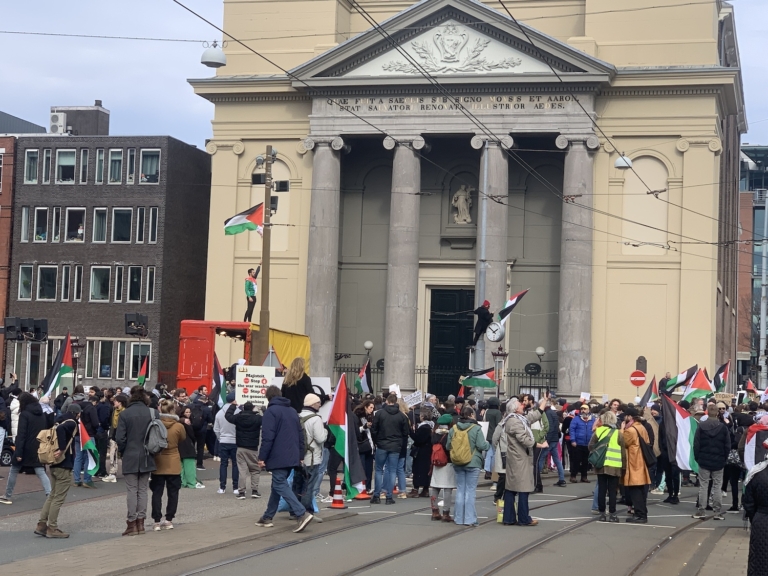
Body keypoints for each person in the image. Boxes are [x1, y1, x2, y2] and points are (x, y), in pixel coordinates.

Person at [255, 386, 313, 532]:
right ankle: (267, 516)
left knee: (279, 484)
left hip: (278, 456)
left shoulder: (271, 412)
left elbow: (268, 437)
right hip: (292, 455)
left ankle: (301, 513)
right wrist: (300, 456)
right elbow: (301, 435)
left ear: (268, 397)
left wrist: (262, 457)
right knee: (277, 485)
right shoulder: (292, 411)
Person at [115, 386, 157, 536]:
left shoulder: (125, 414)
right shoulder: (153, 413)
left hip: (131, 454)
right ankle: (141, 523)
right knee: (143, 490)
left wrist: (123, 450)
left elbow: (120, 438)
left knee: (132, 490)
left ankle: (131, 523)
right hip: (147, 455)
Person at [502, 395, 547, 527]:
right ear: (516, 409)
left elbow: (534, 416)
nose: (523, 405)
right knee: (523, 488)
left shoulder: (518, 418)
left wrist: (544, 401)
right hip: (519, 458)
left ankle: (509, 518)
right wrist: (539, 445)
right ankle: (523, 518)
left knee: (512, 488)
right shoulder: (514, 421)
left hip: (517, 458)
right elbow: (524, 439)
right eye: (521, 404)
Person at [36, 404, 80, 538]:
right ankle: (52, 528)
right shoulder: (71, 423)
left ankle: (41, 524)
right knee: (58, 498)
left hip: (53, 464)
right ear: (76, 413)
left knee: (52, 495)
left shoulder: (58, 420)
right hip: (63, 464)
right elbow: (61, 430)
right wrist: (61, 449)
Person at [1, 392, 53, 504]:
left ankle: (7, 495)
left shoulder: (24, 414)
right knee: (40, 471)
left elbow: (21, 435)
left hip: (25, 447)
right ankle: (49, 494)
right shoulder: (41, 413)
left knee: (14, 469)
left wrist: (18, 452)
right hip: (38, 446)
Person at [447, 406, 489, 527]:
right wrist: (488, 445)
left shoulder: (454, 428)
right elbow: (481, 445)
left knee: (460, 490)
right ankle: (469, 519)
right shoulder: (476, 428)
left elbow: (448, 446)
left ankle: (459, 518)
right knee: (470, 491)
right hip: (473, 462)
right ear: (471, 415)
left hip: (458, 462)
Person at [149, 399, 185, 530]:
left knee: (156, 493)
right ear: (172, 410)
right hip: (173, 461)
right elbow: (183, 439)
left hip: (158, 461)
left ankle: (156, 521)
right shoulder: (178, 426)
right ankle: (169, 519)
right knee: (173, 493)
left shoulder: (155, 424)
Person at [370, 393, 410, 505]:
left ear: (387, 402)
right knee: (392, 471)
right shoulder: (402, 416)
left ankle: (377, 495)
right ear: (396, 402)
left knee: (379, 470)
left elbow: (374, 429)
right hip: (395, 446)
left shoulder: (380, 414)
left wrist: (376, 441)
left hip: (382, 444)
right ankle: (389, 496)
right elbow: (405, 433)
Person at [692, 403, 730, 520]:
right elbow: (727, 445)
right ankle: (717, 511)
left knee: (704, 485)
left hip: (704, 459)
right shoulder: (723, 427)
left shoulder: (701, 426)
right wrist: (724, 458)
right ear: (718, 413)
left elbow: (696, 444)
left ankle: (701, 510)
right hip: (718, 460)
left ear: (707, 412)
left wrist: (698, 458)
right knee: (717, 486)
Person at [294, 393, 327, 512]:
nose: (320, 405)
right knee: (309, 486)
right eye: (318, 402)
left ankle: (295, 509)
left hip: (298, 456)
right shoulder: (316, 418)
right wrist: (325, 432)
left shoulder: (297, 416)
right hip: (312, 457)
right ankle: (306, 511)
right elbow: (320, 438)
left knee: (298, 484)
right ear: (313, 404)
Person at [589, 410, 624, 522]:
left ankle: (602, 513)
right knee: (612, 491)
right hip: (614, 465)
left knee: (602, 490)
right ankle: (613, 514)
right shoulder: (618, 433)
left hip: (601, 464)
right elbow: (623, 451)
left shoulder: (599, 431)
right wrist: (624, 467)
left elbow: (590, 446)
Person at [226, 400, 263, 499]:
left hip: (240, 447)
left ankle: (241, 492)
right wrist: (264, 408)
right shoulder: (257, 418)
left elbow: (228, 416)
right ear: (252, 408)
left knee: (242, 470)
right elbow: (267, 419)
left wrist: (233, 406)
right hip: (253, 448)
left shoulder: (238, 417)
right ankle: (254, 490)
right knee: (255, 470)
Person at [743, 437, 768, 576]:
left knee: (760, 559)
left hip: (761, 521)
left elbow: (748, 502)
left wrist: (756, 517)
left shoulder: (756, 473)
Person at [622, 407, 651, 523]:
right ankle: (642, 512)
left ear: (630, 417)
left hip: (634, 462)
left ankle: (640, 514)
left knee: (635, 490)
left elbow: (623, 442)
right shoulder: (641, 427)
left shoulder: (630, 430)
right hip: (641, 461)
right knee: (639, 489)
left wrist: (622, 430)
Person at [430, 414, 456, 522]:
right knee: (447, 488)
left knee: (435, 487)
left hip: (436, 463)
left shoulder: (434, 434)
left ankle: (435, 511)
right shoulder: (450, 434)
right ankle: (446, 513)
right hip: (448, 463)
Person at [214, 392, 239, 495]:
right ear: (234, 400)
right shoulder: (238, 412)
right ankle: (235, 487)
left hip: (223, 441)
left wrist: (220, 438)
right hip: (235, 441)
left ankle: (222, 487)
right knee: (235, 464)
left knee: (223, 464)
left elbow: (216, 429)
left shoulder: (219, 413)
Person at [541, 398, 566, 487]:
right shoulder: (553, 413)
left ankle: (536, 479)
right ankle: (562, 479)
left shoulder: (547, 414)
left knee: (541, 457)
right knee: (557, 460)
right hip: (555, 439)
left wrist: (547, 440)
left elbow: (550, 428)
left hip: (550, 439)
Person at [177, 405, 204, 489]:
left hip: (180, 445)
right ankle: (191, 482)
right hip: (188, 445)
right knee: (190, 466)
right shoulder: (187, 422)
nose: (188, 414)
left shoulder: (178, 422)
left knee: (181, 466)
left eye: (189, 412)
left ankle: (182, 482)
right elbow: (192, 434)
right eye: (186, 412)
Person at [409, 410, 434, 498]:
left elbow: (418, 439)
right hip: (428, 451)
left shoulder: (424, 427)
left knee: (418, 470)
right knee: (426, 470)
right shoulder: (431, 426)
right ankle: (425, 489)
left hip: (421, 452)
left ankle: (416, 489)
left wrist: (411, 432)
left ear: (423, 417)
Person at [353, 400, 375, 493]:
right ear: (365, 407)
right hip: (362, 443)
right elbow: (356, 429)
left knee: (369, 467)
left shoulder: (370, 416)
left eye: (373, 408)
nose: (372, 410)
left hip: (369, 444)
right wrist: (364, 427)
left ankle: (368, 486)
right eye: (370, 407)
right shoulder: (358, 416)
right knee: (363, 467)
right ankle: (362, 487)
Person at [568, 403, 593, 483]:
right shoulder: (576, 419)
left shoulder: (593, 419)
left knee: (586, 461)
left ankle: (584, 476)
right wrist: (573, 440)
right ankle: (573, 476)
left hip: (588, 444)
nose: (583, 410)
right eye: (582, 409)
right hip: (578, 443)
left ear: (588, 410)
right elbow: (572, 430)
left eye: (585, 409)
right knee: (576, 460)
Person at [191, 388, 213, 471]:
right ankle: (199, 464)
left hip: (192, 429)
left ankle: (190, 462)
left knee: (192, 445)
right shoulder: (207, 409)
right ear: (205, 400)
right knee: (200, 448)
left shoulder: (191, 406)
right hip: (202, 430)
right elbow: (210, 419)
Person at [483, 397, 502, 480]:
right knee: (495, 454)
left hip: (488, 435)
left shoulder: (487, 412)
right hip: (495, 435)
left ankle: (487, 470)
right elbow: (499, 424)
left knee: (489, 453)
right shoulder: (498, 412)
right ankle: (492, 470)